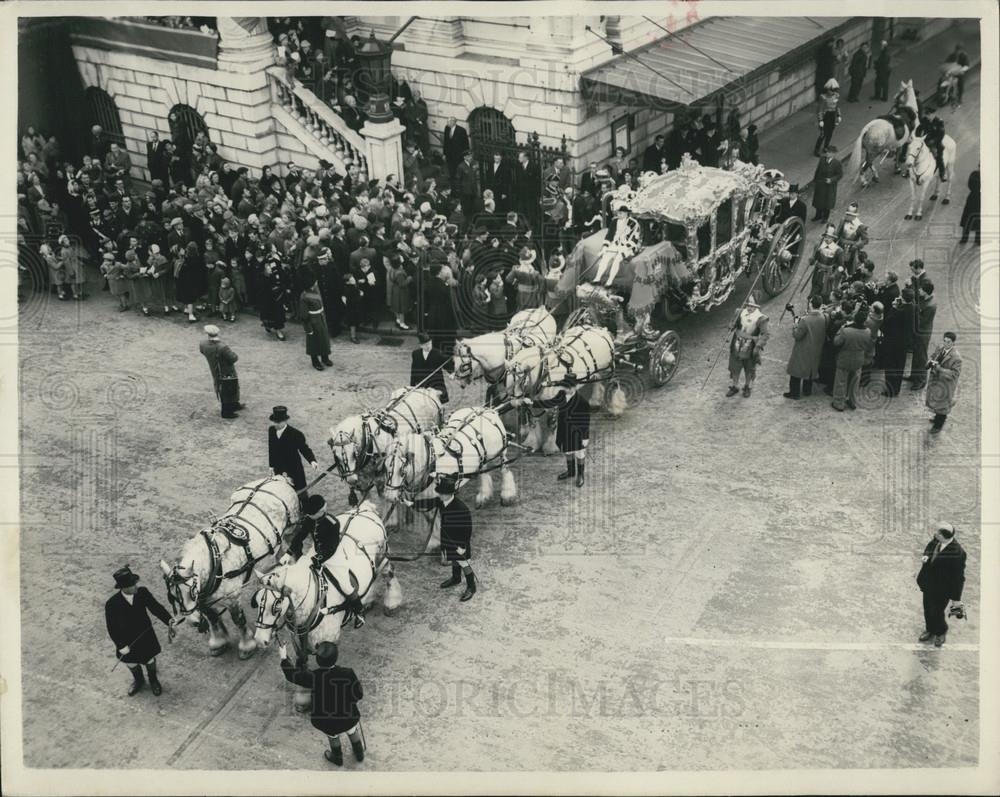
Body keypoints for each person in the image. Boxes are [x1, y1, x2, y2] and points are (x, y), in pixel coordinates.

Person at [279, 641, 366, 765]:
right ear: (336, 657)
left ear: (318, 660)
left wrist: (283, 658)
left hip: (327, 721)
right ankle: (359, 754)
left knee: (333, 736)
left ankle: (337, 758)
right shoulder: (348, 673)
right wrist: (352, 701)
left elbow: (292, 675)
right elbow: (358, 694)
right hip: (348, 716)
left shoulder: (314, 676)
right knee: (352, 730)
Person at [105, 566, 176, 697]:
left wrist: (169, 620)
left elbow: (155, 607)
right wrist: (121, 646)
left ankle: (153, 680)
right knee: (131, 663)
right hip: (127, 642)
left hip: (145, 636)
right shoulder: (111, 604)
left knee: (149, 660)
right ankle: (139, 681)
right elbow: (112, 628)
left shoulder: (142, 593)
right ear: (124, 588)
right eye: (133, 585)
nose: (136, 586)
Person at [408, 480, 477, 601]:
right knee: (453, 559)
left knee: (464, 563)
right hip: (447, 538)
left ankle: (471, 587)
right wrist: (411, 503)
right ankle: (456, 578)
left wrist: (462, 547)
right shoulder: (442, 501)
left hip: (459, 542)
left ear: (450, 494)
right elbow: (428, 503)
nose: (439, 495)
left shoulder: (461, 508)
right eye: (439, 493)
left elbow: (467, 529)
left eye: (442, 493)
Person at [519, 374, 591, 487]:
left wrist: (585, 437)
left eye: (568, 387)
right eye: (564, 387)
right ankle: (571, 472)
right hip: (564, 429)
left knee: (579, 453)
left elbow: (585, 422)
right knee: (568, 451)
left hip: (577, 432)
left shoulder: (582, 402)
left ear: (574, 387)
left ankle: (580, 475)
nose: (565, 389)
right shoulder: (561, 395)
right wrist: (532, 403)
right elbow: (550, 403)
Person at [915, 522, 966, 647]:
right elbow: (930, 546)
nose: (935, 534)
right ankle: (930, 629)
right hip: (928, 584)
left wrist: (956, 598)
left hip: (942, 589)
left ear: (944, 537)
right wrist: (926, 556)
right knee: (927, 609)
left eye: (938, 533)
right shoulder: (936, 540)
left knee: (937, 612)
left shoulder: (958, 553)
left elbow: (958, 578)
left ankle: (940, 632)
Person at [268, 405, 319, 498]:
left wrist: (312, 460)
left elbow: (304, 449)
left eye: (278, 422)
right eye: (275, 422)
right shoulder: (271, 431)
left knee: (300, 492)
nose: (276, 424)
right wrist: (271, 466)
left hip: (294, 468)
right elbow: (271, 449)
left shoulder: (295, 434)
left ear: (285, 421)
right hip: (278, 468)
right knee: (281, 492)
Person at [784, 295, 827, 399]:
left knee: (796, 372)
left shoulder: (805, 320)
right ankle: (807, 390)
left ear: (811, 304)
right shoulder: (823, 317)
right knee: (810, 370)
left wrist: (795, 326)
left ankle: (794, 393)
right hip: (816, 348)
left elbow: (797, 335)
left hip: (803, 349)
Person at [726, 295, 769, 398]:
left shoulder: (761, 318)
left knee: (749, 368)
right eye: (748, 305)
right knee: (734, 367)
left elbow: (765, 334)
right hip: (736, 344)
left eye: (752, 306)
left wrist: (758, 345)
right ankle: (734, 386)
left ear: (757, 306)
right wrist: (731, 326)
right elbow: (733, 324)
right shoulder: (739, 312)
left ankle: (747, 386)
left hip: (750, 346)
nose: (750, 308)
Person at [590, 202, 642, 288]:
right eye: (618, 213)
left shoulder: (634, 223)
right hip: (615, 244)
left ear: (626, 213)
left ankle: (609, 281)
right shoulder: (614, 221)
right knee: (605, 257)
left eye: (620, 213)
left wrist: (624, 248)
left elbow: (635, 239)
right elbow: (609, 235)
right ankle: (597, 278)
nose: (618, 215)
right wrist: (605, 246)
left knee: (617, 259)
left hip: (627, 246)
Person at [283, 493, 342, 566]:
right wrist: (289, 553)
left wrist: (318, 558)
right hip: (316, 550)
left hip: (331, 555)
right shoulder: (310, 519)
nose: (309, 516)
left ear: (321, 511)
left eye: (312, 515)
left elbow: (332, 547)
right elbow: (300, 536)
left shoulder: (333, 524)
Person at [831, 308, 872, 412]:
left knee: (841, 381)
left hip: (844, 358)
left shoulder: (846, 331)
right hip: (858, 358)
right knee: (855, 381)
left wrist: (841, 329)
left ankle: (839, 403)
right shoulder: (868, 331)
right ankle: (853, 401)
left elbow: (836, 342)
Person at [198, 324, 241, 419]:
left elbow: (202, 351)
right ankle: (227, 411)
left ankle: (234, 404)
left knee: (222, 387)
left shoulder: (203, 344)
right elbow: (234, 358)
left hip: (214, 369)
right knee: (229, 389)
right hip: (226, 370)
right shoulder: (222, 347)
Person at [925, 331, 962, 433]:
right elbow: (933, 356)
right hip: (936, 381)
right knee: (937, 401)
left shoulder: (956, 358)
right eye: (944, 341)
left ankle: (938, 425)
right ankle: (937, 418)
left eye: (948, 342)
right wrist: (930, 362)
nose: (946, 344)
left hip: (946, 384)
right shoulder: (940, 348)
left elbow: (954, 374)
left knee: (943, 405)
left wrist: (940, 369)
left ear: (953, 343)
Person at [907, 279, 936, 390]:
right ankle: (914, 376)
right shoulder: (925, 299)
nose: (919, 290)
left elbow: (921, 321)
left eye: (921, 289)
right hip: (920, 332)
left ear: (926, 292)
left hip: (923, 333)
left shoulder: (930, 306)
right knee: (916, 355)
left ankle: (921, 380)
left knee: (921, 357)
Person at [299, 280, 333, 371]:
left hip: (320, 318)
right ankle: (315, 361)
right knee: (313, 341)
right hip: (312, 321)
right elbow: (304, 315)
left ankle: (325, 357)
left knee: (323, 339)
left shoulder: (316, 290)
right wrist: (308, 328)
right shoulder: (304, 296)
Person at [410, 332, 450, 403]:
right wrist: (412, 386)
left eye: (429, 343)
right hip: (422, 384)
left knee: (437, 403)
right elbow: (414, 371)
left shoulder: (438, 353)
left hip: (436, 384)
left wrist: (451, 372)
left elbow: (447, 364)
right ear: (421, 345)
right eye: (425, 345)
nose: (428, 346)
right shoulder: (415, 354)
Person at [808, 224, 845, 300]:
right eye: (826, 236)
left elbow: (841, 266)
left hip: (828, 274)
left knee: (826, 293)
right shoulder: (818, 246)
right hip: (817, 272)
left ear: (833, 238)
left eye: (830, 237)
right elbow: (814, 259)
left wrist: (834, 274)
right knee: (814, 289)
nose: (827, 239)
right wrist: (811, 260)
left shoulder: (838, 250)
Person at [811, 146, 843, 222]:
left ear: (833, 154)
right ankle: (818, 215)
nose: (827, 153)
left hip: (829, 186)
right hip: (820, 184)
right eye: (827, 152)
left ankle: (825, 217)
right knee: (818, 201)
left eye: (829, 152)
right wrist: (815, 180)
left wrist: (831, 180)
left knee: (827, 202)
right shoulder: (822, 159)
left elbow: (840, 174)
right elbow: (818, 170)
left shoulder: (837, 163)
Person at [835, 201, 869, 270]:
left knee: (851, 267)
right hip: (841, 246)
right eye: (847, 214)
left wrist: (856, 245)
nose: (847, 216)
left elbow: (865, 240)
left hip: (851, 249)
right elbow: (838, 233)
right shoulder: (843, 221)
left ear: (855, 216)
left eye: (850, 215)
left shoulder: (860, 226)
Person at [814, 79, 841, 156]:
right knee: (823, 134)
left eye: (834, 90)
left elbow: (837, 107)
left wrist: (838, 115)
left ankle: (826, 147)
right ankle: (816, 149)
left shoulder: (836, 96)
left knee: (830, 133)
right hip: (826, 116)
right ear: (827, 89)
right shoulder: (823, 97)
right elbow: (820, 109)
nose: (833, 92)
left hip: (832, 116)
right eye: (831, 90)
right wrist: (820, 120)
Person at [442, 118, 470, 183]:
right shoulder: (447, 128)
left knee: (458, 170)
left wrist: (465, 155)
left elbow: (466, 144)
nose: (447, 123)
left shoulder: (461, 130)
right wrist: (444, 153)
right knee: (451, 169)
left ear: (453, 122)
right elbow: (445, 142)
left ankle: (459, 182)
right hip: (449, 154)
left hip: (458, 155)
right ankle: (452, 181)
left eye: (448, 122)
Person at [959, 166, 980, 245]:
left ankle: (975, 239)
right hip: (975, 198)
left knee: (973, 218)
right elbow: (970, 185)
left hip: (975, 197)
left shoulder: (975, 174)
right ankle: (973, 238)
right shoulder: (975, 174)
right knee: (971, 218)